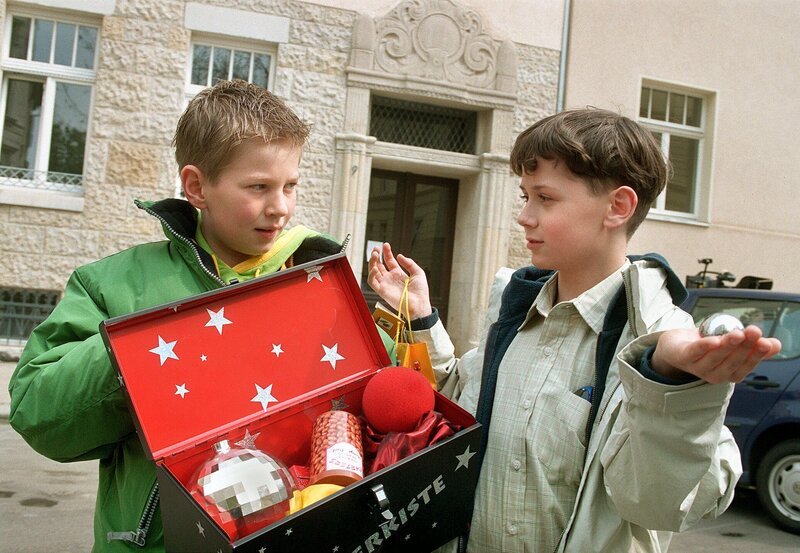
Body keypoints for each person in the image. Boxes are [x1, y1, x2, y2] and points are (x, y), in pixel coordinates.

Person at [367, 108, 782, 553]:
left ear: (618, 207)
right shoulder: (513, 312)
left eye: (545, 198)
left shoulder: (663, 342)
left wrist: (668, 385)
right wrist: (422, 317)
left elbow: (665, 505)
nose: (524, 216)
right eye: (525, 196)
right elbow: (457, 403)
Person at [8, 79, 394, 552]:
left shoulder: (317, 282)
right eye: (258, 187)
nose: (280, 208)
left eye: (290, 186)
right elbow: (39, 417)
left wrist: (412, 326)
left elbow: (389, 404)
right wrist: (137, 350)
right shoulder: (112, 284)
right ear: (196, 186)